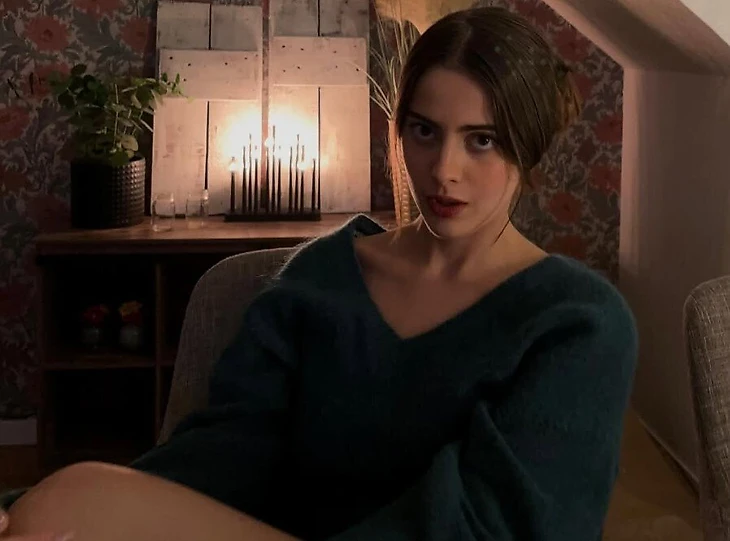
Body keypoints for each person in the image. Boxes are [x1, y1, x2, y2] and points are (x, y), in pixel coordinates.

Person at [0, 6, 637, 541]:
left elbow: (500, 525)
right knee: (62, 502)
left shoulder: (578, 322)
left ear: (529, 144)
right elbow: (225, 454)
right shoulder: (324, 276)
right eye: (424, 131)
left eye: (481, 140)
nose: (444, 170)